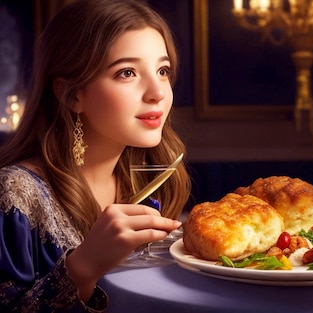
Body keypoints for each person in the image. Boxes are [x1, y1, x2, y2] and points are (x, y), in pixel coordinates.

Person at [0, 0, 192, 311]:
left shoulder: (156, 183)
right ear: (72, 94)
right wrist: (82, 268)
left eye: (163, 70)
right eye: (127, 72)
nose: (157, 92)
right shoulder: (15, 196)